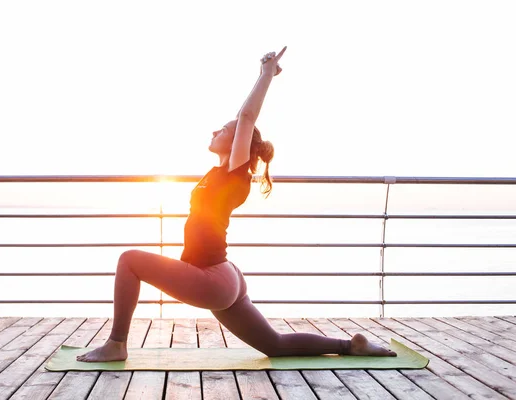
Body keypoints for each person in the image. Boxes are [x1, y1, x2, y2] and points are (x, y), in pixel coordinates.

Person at [77, 47, 397, 362]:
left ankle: (116, 344)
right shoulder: (218, 173)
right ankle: (349, 346)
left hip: (212, 278)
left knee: (129, 261)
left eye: (224, 130)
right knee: (275, 345)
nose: (216, 130)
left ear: (238, 142)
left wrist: (266, 74)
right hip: (224, 276)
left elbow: (246, 116)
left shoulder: (235, 173)